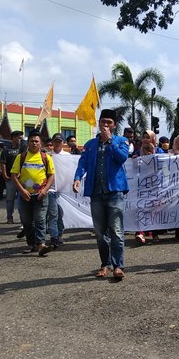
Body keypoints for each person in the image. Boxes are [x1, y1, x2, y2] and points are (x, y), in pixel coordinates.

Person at [73, 109, 131, 279]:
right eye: (103, 121)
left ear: (114, 125)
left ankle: (118, 266)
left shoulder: (122, 141)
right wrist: (77, 178)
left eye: (109, 122)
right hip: (96, 194)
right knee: (100, 233)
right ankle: (105, 264)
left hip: (115, 193)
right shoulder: (90, 144)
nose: (105, 125)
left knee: (117, 231)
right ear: (98, 123)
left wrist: (110, 141)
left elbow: (122, 158)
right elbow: (82, 163)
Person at [11, 130, 54, 256]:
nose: (34, 143)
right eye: (32, 141)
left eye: (36, 141)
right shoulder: (21, 157)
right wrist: (22, 190)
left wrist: (45, 190)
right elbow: (13, 176)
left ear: (40, 144)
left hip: (41, 195)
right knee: (27, 221)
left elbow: (51, 176)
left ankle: (41, 245)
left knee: (40, 220)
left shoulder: (46, 158)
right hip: (25, 196)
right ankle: (32, 245)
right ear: (28, 143)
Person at [135, 130, 161, 244]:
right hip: (142, 184)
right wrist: (134, 159)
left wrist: (153, 152)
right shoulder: (137, 151)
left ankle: (154, 233)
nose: (145, 139)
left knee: (154, 208)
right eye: (143, 137)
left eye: (148, 137)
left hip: (155, 183)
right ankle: (141, 232)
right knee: (141, 207)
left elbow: (162, 162)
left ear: (153, 139)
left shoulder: (159, 150)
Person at [46, 133, 68, 247]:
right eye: (56, 141)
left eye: (60, 141)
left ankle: (59, 234)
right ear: (53, 142)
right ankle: (54, 236)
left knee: (62, 213)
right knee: (53, 213)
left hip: (64, 190)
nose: (57, 143)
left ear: (63, 143)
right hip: (51, 189)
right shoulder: (47, 156)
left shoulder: (68, 156)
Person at [0, 131, 24, 225]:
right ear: (13, 138)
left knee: (22, 199)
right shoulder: (6, 150)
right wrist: (5, 174)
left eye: (21, 138)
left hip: (22, 179)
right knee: (10, 199)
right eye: (19, 138)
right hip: (10, 179)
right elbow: (3, 163)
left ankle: (23, 219)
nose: (20, 140)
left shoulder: (24, 150)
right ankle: (9, 217)